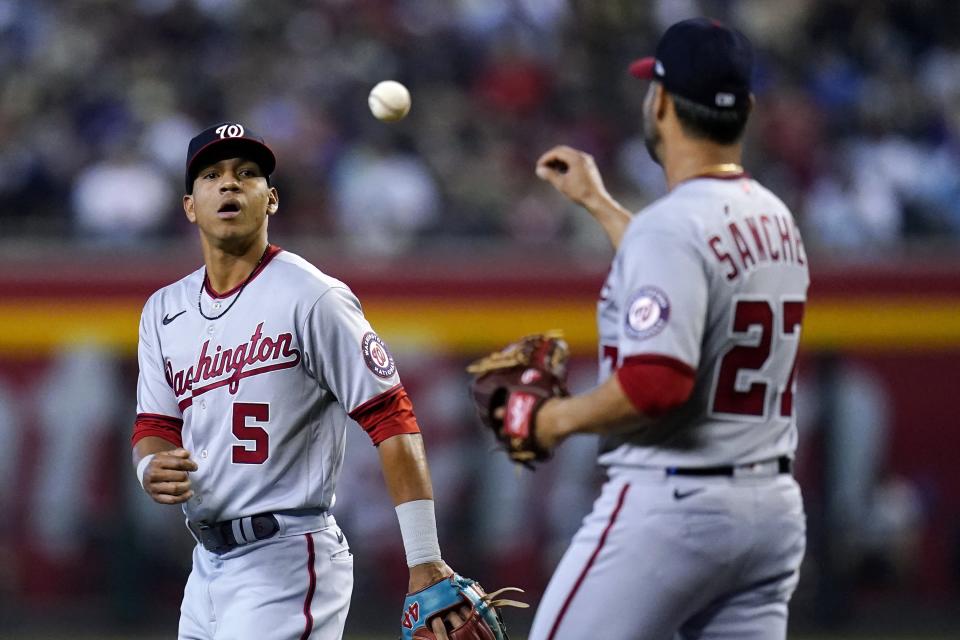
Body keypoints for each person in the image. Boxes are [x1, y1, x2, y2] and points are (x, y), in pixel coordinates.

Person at [527, 18, 809, 639]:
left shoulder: (672, 226)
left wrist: (552, 420)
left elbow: (657, 383)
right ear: (747, 110)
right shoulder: (775, 215)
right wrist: (602, 206)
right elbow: (694, 269)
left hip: (673, 507)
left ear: (659, 102)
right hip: (770, 514)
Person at [132, 122, 469, 639]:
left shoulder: (314, 297)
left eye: (247, 174)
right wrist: (150, 465)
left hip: (288, 559)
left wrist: (424, 558)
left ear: (270, 200)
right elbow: (154, 424)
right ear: (189, 206)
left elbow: (392, 419)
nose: (229, 184)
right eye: (212, 174)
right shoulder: (163, 311)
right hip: (205, 568)